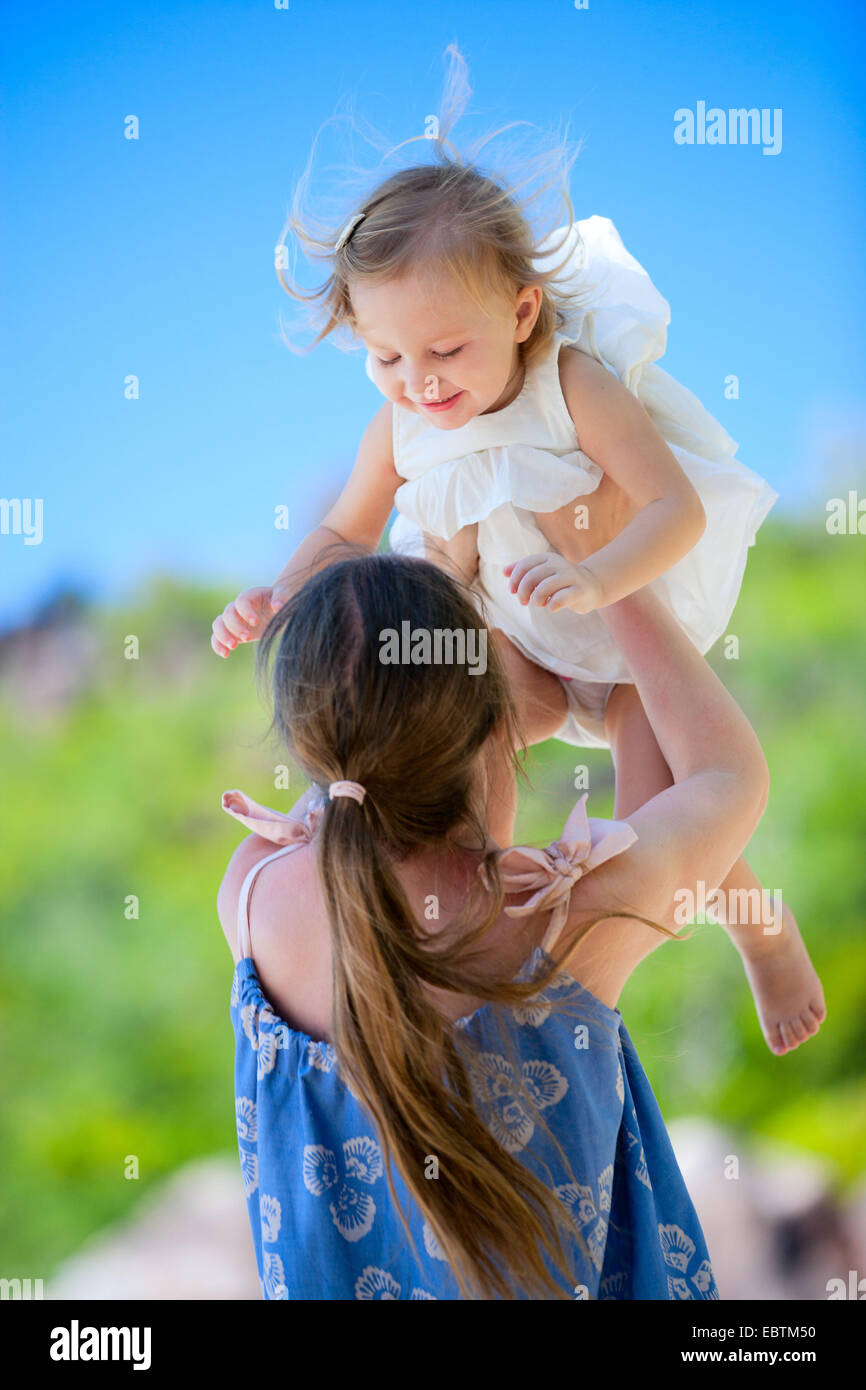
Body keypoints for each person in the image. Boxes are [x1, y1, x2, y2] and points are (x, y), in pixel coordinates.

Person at [210, 48, 824, 1058]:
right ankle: (480, 913)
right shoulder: (399, 425)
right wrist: (279, 592)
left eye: (444, 351)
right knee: (450, 728)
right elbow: (343, 533)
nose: (416, 383)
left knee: (654, 816)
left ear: (520, 311)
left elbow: (673, 508)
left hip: (622, 621)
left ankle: (759, 931)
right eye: (385, 356)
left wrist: (595, 577)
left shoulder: (570, 384)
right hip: (516, 641)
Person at [217, 546, 769, 1300]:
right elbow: (728, 779)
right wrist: (616, 571)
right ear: (494, 740)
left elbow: (353, 799)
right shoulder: (558, 918)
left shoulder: (250, 895)